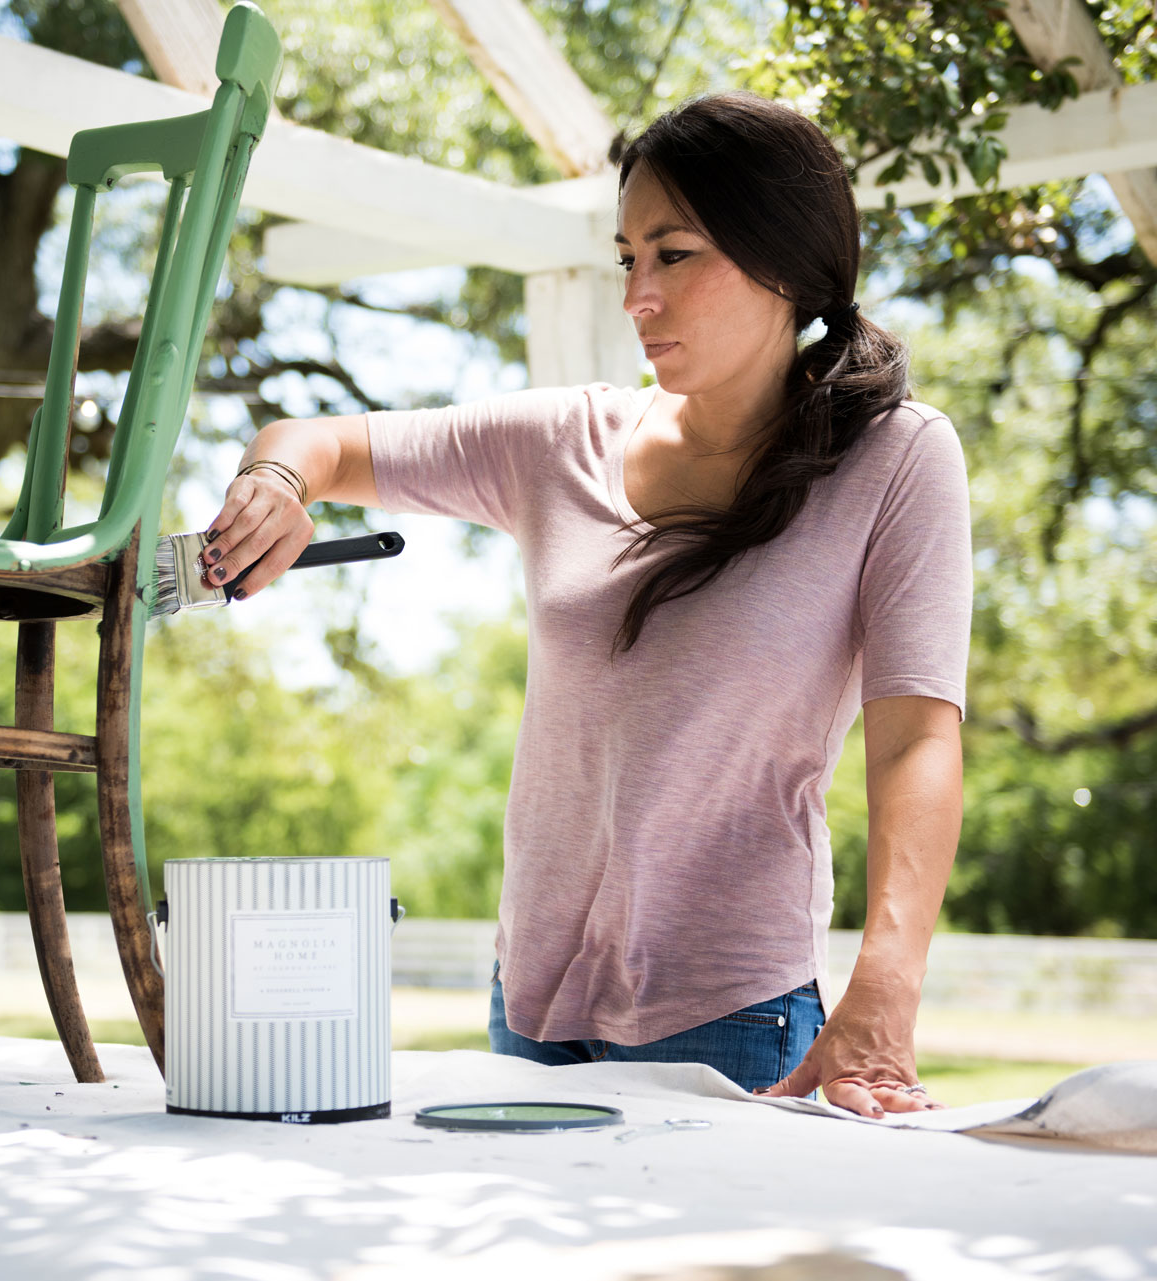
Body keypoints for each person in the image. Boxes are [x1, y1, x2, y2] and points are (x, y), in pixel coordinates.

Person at [194, 92, 970, 1117]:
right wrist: (277, 487)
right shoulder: (561, 442)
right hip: (530, 1014)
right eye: (625, 258)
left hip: (736, 1023)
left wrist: (888, 981)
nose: (636, 297)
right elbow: (319, 439)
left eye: (674, 255)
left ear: (783, 263)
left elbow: (916, 736)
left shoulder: (898, 459)